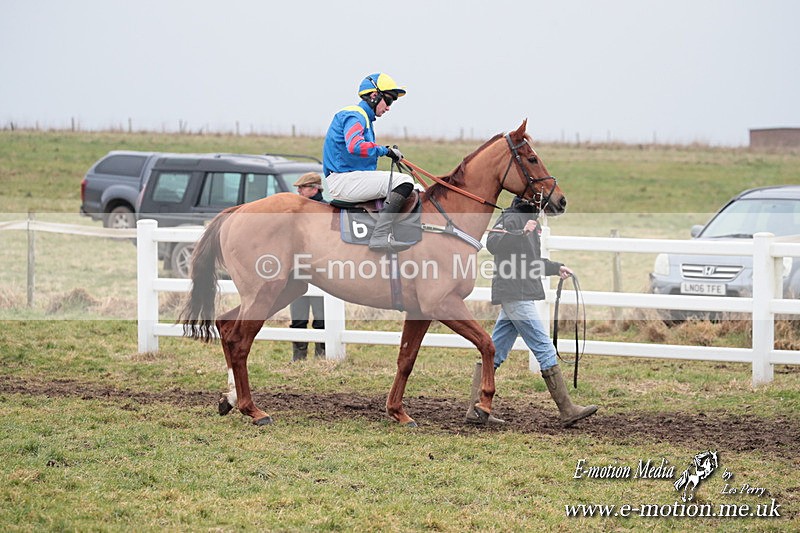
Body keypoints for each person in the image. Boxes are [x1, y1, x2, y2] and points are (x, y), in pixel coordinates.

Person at [465, 196, 599, 427]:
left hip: (519, 292)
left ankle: (475, 410)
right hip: (515, 293)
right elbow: (493, 244)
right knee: (544, 346)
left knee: (494, 352)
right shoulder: (511, 217)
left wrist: (556, 268)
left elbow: (530, 260)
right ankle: (567, 409)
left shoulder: (530, 221)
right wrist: (521, 233)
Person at [322, 72, 416, 253]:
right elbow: (355, 146)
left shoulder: (363, 118)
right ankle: (380, 236)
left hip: (350, 177)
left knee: (415, 188)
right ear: (374, 96)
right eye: (388, 101)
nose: (388, 108)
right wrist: (385, 151)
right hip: (344, 180)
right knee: (404, 182)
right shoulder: (356, 115)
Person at [290, 172, 326, 361]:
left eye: (302, 187)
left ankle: (319, 355)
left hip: (317, 270)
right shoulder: (300, 211)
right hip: (300, 267)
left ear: (313, 189)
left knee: (321, 317)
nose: (298, 191)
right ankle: (300, 356)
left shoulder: (325, 210)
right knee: (298, 315)